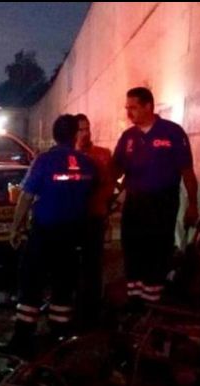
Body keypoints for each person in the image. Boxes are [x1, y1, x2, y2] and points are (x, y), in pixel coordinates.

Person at [0, 114, 96, 358]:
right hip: (74, 234)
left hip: (44, 234)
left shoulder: (44, 161)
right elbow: (90, 194)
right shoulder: (87, 163)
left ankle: (23, 341)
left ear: (54, 135)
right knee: (64, 286)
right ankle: (59, 339)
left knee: (30, 285)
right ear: (76, 135)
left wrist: (15, 227)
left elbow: (26, 196)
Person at [113, 87, 198, 305]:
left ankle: (153, 301)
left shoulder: (172, 133)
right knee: (132, 247)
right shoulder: (128, 137)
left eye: (133, 108)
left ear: (148, 106)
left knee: (157, 248)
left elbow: (187, 172)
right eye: (127, 108)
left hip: (162, 202)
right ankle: (135, 299)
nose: (128, 113)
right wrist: (108, 192)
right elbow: (116, 170)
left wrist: (193, 205)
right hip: (135, 202)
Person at [75, 113, 114, 327]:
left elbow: (109, 184)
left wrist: (102, 205)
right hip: (72, 218)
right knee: (72, 265)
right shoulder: (67, 156)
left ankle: (92, 310)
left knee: (93, 264)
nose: (85, 133)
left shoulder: (102, 154)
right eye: (80, 129)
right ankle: (73, 306)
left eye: (87, 128)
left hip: (95, 216)